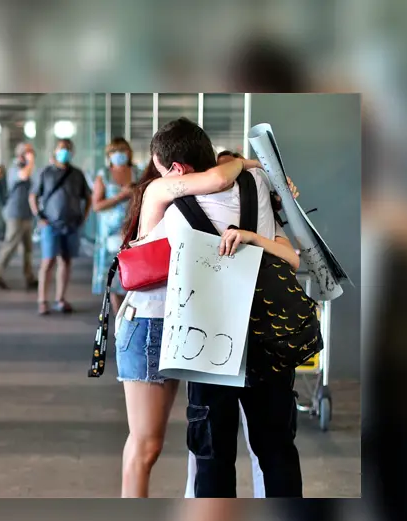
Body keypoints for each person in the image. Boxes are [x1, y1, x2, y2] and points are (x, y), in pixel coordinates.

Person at [146, 119, 303, 498]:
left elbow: (145, 265)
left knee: (213, 455)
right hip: (269, 335)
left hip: (207, 342)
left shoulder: (173, 212)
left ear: (177, 170)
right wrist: (251, 166)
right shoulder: (260, 185)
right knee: (277, 449)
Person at [113, 119, 264, 497]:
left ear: (176, 165)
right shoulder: (160, 189)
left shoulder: (213, 192)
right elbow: (217, 178)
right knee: (147, 445)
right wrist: (248, 163)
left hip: (196, 321)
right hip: (150, 323)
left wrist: (251, 169)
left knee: (204, 436)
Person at [29, 139, 91, 315]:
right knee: (47, 261)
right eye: (62, 149)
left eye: (68, 149)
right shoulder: (46, 173)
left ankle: (60, 298)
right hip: (50, 224)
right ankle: (42, 300)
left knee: (66, 260)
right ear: (55, 151)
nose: (65, 152)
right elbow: (33, 195)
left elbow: (87, 197)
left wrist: (83, 217)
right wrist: (39, 217)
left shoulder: (77, 174)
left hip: (71, 224)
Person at [90, 137, 139, 318]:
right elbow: (97, 205)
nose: (119, 155)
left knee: (134, 273)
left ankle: (133, 314)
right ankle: (120, 319)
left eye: (123, 151)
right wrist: (121, 196)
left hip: (133, 231)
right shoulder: (103, 175)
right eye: (115, 151)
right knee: (114, 276)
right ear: (109, 155)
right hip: (110, 233)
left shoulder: (138, 173)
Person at [0, 142, 38, 290]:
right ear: (21, 154)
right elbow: (24, 175)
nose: (31, 154)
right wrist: (31, 161)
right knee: (10, 245)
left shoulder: (27, 168)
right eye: (28, 152)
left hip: (26, 213)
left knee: (27, 248)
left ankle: (29, 277)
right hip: (15, 214)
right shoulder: (15, 168)